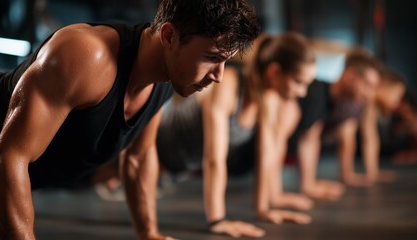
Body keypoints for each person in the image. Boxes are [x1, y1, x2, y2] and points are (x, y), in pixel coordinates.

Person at [0, 0, 260, 239]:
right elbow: (8, 159)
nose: (219, 76)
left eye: (225, 62)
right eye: (212, 57)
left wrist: (149, 233)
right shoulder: (86, 55)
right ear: (169, 36)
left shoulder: (165, 79)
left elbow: (138, 159)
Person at [156, 32, 316, 238]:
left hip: (178, 167)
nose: (303, 92)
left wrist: (263, 208)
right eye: (299, 82)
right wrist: (217, 221)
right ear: (275, 72)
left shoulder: (269, 99)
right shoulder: (229, 85)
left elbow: (265, 155)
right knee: (104, 175)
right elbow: (214, 159)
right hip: (156, 148)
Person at [286, 47, 383, 201]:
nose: (369, 94)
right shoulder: (316, 91)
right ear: (350, 75)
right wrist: (309, 185)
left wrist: (347, 175)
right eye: (367, 85)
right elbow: (309, 139)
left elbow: (347, 136)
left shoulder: (348, 106)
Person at [359, 67, 406, 181]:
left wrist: (373, 173)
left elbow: (371, 137)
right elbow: (367, 137)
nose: (397, 101)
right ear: (384, 87)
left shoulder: (372, 106)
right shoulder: (366, 100)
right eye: (397, 95)